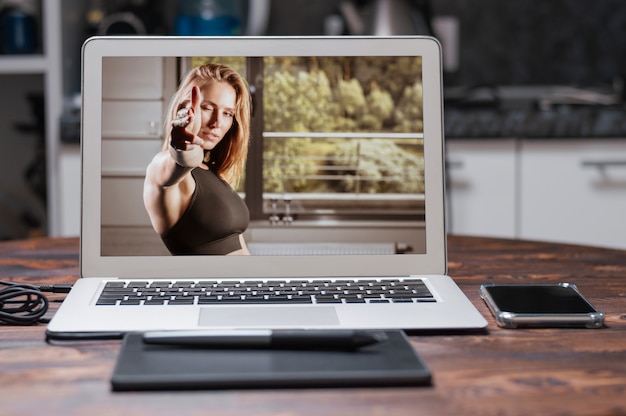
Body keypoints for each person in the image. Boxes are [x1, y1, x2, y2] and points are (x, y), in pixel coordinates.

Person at [143, 63, 252, 255]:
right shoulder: (161, 168)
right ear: (185, 108)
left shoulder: (214, 174)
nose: (217, 122)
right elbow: (184, 159)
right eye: (207, 108)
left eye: (227, 113)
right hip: (209, 285)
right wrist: (182, 147)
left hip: (241, 283)